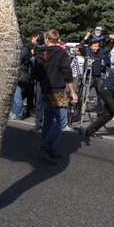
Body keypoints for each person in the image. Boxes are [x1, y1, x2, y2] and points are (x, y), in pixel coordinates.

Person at [33, 29, 78, 162]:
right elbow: (67, 73)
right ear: (57, 39)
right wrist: (73, 92)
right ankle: (44, 148)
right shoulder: (61, 52)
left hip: (45, 89)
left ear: (47, 39)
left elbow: (36, 73)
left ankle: (48, 148)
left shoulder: (39, 52)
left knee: (48, 120)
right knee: (62, 121)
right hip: (57, 90)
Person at [11, 39, 33, 120]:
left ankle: (18, 114)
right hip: (19, 73)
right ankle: (14, 112)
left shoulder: (24, 50)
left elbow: (18, 59)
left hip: (21, 74)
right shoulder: (24, 49)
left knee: (17, 95)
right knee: (15, 95)